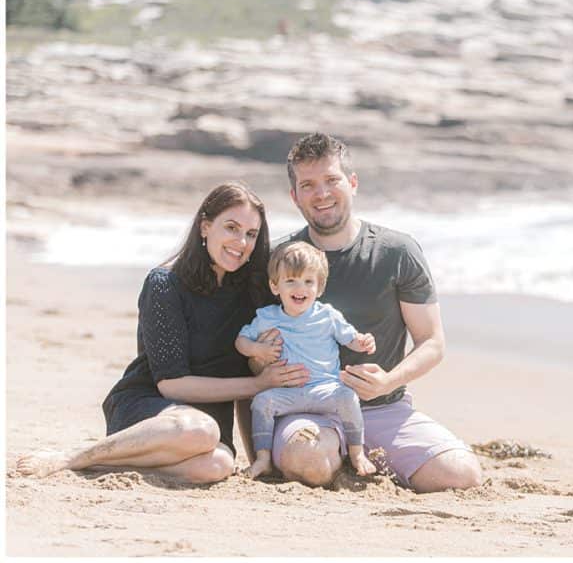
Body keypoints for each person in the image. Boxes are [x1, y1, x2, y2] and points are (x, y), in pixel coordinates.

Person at [15, 182, 310, 483]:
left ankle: (104, 467)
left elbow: (259, 376)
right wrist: (257, 384)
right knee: (201, 429)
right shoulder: (165, 284)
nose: (241, 242)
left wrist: (259, 455)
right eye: (231, 228)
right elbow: (172, 385)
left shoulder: (253, 293)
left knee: (219, 464)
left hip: (205, 429)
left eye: (251, 234)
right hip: (150, 410)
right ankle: (74, 457)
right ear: (205, 227)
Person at [238, 132, 483, 492]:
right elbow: (248, 364)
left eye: (331, 180)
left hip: (385, 408)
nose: (321, 193)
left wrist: (390, 380)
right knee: (307, 463)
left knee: (461, 475)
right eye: (308, 185)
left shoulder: (396, 252)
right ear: (294, 196)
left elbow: (431, 341)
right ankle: (332, 458)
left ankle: (359, 456)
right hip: (305, 410)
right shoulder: (276, 261)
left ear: (352, 183)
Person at [236, 241, 378, 479]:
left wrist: (363, 342)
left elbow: (351, 338)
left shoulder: (328, 316)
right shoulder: (267, 317)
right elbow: (241, 341)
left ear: (319, 287)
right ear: (274, 286)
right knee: (262, 402)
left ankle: (356, 453)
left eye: (308, 281)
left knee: (347, 396)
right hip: (288, 395)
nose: (299, 288)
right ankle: (262, 459)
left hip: (324, 390)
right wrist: (257, 349)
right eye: (290, 280)